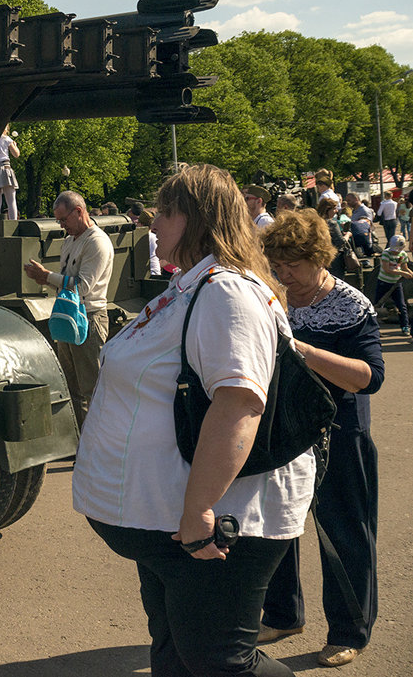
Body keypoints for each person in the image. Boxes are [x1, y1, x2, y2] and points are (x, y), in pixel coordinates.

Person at [73, 163, 313, 677]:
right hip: (167, 521)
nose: (153, 224)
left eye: (165, 212)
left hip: (215, 524)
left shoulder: (227, 292)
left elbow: (240, 403)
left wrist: (200, 511)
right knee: (174, 649)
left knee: (220, 661)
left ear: (199, 218)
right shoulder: (189, 285)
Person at [255, 210, 385, 668]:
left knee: (345, 534)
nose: (283, 274)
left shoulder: (351, 305)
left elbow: (370, 378)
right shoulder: (273, 296)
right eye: (277, 265)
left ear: (319, 257)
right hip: (284, 435)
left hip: (339, 437)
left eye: (292, 265)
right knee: (277, 527)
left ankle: (350, 631)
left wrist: (305, 352)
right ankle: (283, 614)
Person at [23, 191, 113, 428]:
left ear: (79, 211)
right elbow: (66, 282)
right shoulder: (70, 240)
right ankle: (82, 445)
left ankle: (98, 445)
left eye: (64, 220)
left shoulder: (97, 242)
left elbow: (82, 287)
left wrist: (48, 276)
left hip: (89, 319)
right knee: (71, 388)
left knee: (92, 390)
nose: (62, 226)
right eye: (59, 221)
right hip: (69, 318)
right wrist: (46, 280)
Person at [371, 233, 413, 336]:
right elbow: (387, 269)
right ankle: (373, 328)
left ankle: (405, 326)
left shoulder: (402, 255)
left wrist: (410, 274)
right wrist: (402, 273)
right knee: (376, 305)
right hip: (383, 283)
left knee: (402, 306)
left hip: (395, 284)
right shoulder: (386, 253)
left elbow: (404, 267)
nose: (395, 252)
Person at [317, 198, 354, 279]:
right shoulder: (332, 223)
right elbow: (341, 242)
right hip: (335, 259)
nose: (336, 211)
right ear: (327, 209)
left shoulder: (317, 222)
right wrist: (348, 235)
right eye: (334, 208)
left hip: (320, 258)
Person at [138, 208, 162, 276]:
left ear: (141, 224)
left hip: (149, 273)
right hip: (156, 271)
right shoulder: (154, 237)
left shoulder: (143, 238)